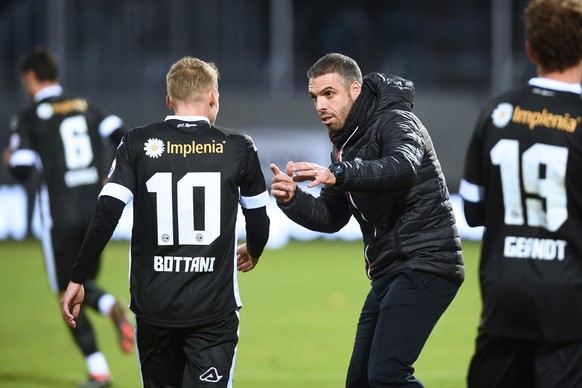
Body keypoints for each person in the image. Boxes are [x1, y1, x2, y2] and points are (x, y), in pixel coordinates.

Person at [61, 56, 270, 388]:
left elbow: (106, 214)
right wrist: (255, 249)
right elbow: (259, 222)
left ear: (169, 102)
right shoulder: (238, 147)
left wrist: (77, 276)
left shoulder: (136, 143)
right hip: (213, 313)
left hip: (153, 309)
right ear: (214, 97)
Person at [270, 52, 464, 387]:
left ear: (355, 90)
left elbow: (403, 167)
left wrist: (339, 173)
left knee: (388, 375)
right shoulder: (345, 144)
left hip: (426, 261)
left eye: (329, 94)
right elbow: (331, 217)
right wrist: (293, 199)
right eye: (314, 97)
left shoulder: (395, 120)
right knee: (361, 382)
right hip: (391, 270)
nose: (319, 105)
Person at [459, 0, 582, 387]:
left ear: (530, 48)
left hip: (503, 298)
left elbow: (474, 211)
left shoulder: (497, 111)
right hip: (568, 307)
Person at [2, 48, 133, 387]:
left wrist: (9, 158)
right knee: (82, 283)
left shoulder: (30, 116)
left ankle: (98, 369)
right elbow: (123, 136)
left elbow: (21, 169)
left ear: (30, 77)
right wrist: (110, 173)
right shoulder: (85, 105)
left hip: (59, 216)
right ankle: (107, 305)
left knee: (67, 291)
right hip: (96, 213)